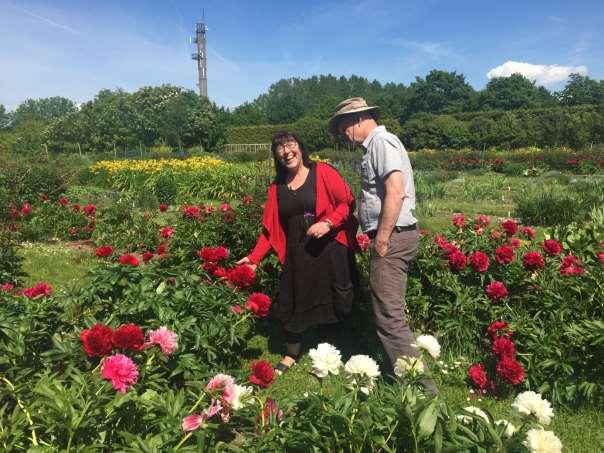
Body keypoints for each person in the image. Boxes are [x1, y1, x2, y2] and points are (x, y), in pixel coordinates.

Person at [328, 97, 438, 394]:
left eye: (342, 128)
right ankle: (409, 382)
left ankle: (422, 392)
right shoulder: (378, 144)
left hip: (393, 236)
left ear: (357, 120)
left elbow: (396, 192)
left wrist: (383, 238)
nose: (343, 135)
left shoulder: (381, 142)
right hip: (395, 234)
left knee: (389, 317)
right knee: (388, 313)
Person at [237, 132, 359, 375]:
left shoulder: (322, 172)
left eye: (290, 145)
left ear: (301, 148)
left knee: (333, 301)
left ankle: (328, 353)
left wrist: (328, 223)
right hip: (297, 252)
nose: (286, 151)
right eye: (280, 148)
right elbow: (269, 230)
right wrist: (253, 259)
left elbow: (347, 202)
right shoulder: (277, 187)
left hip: (329, 248)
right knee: (291, 301)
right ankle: (292, 354)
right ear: (276, 156)